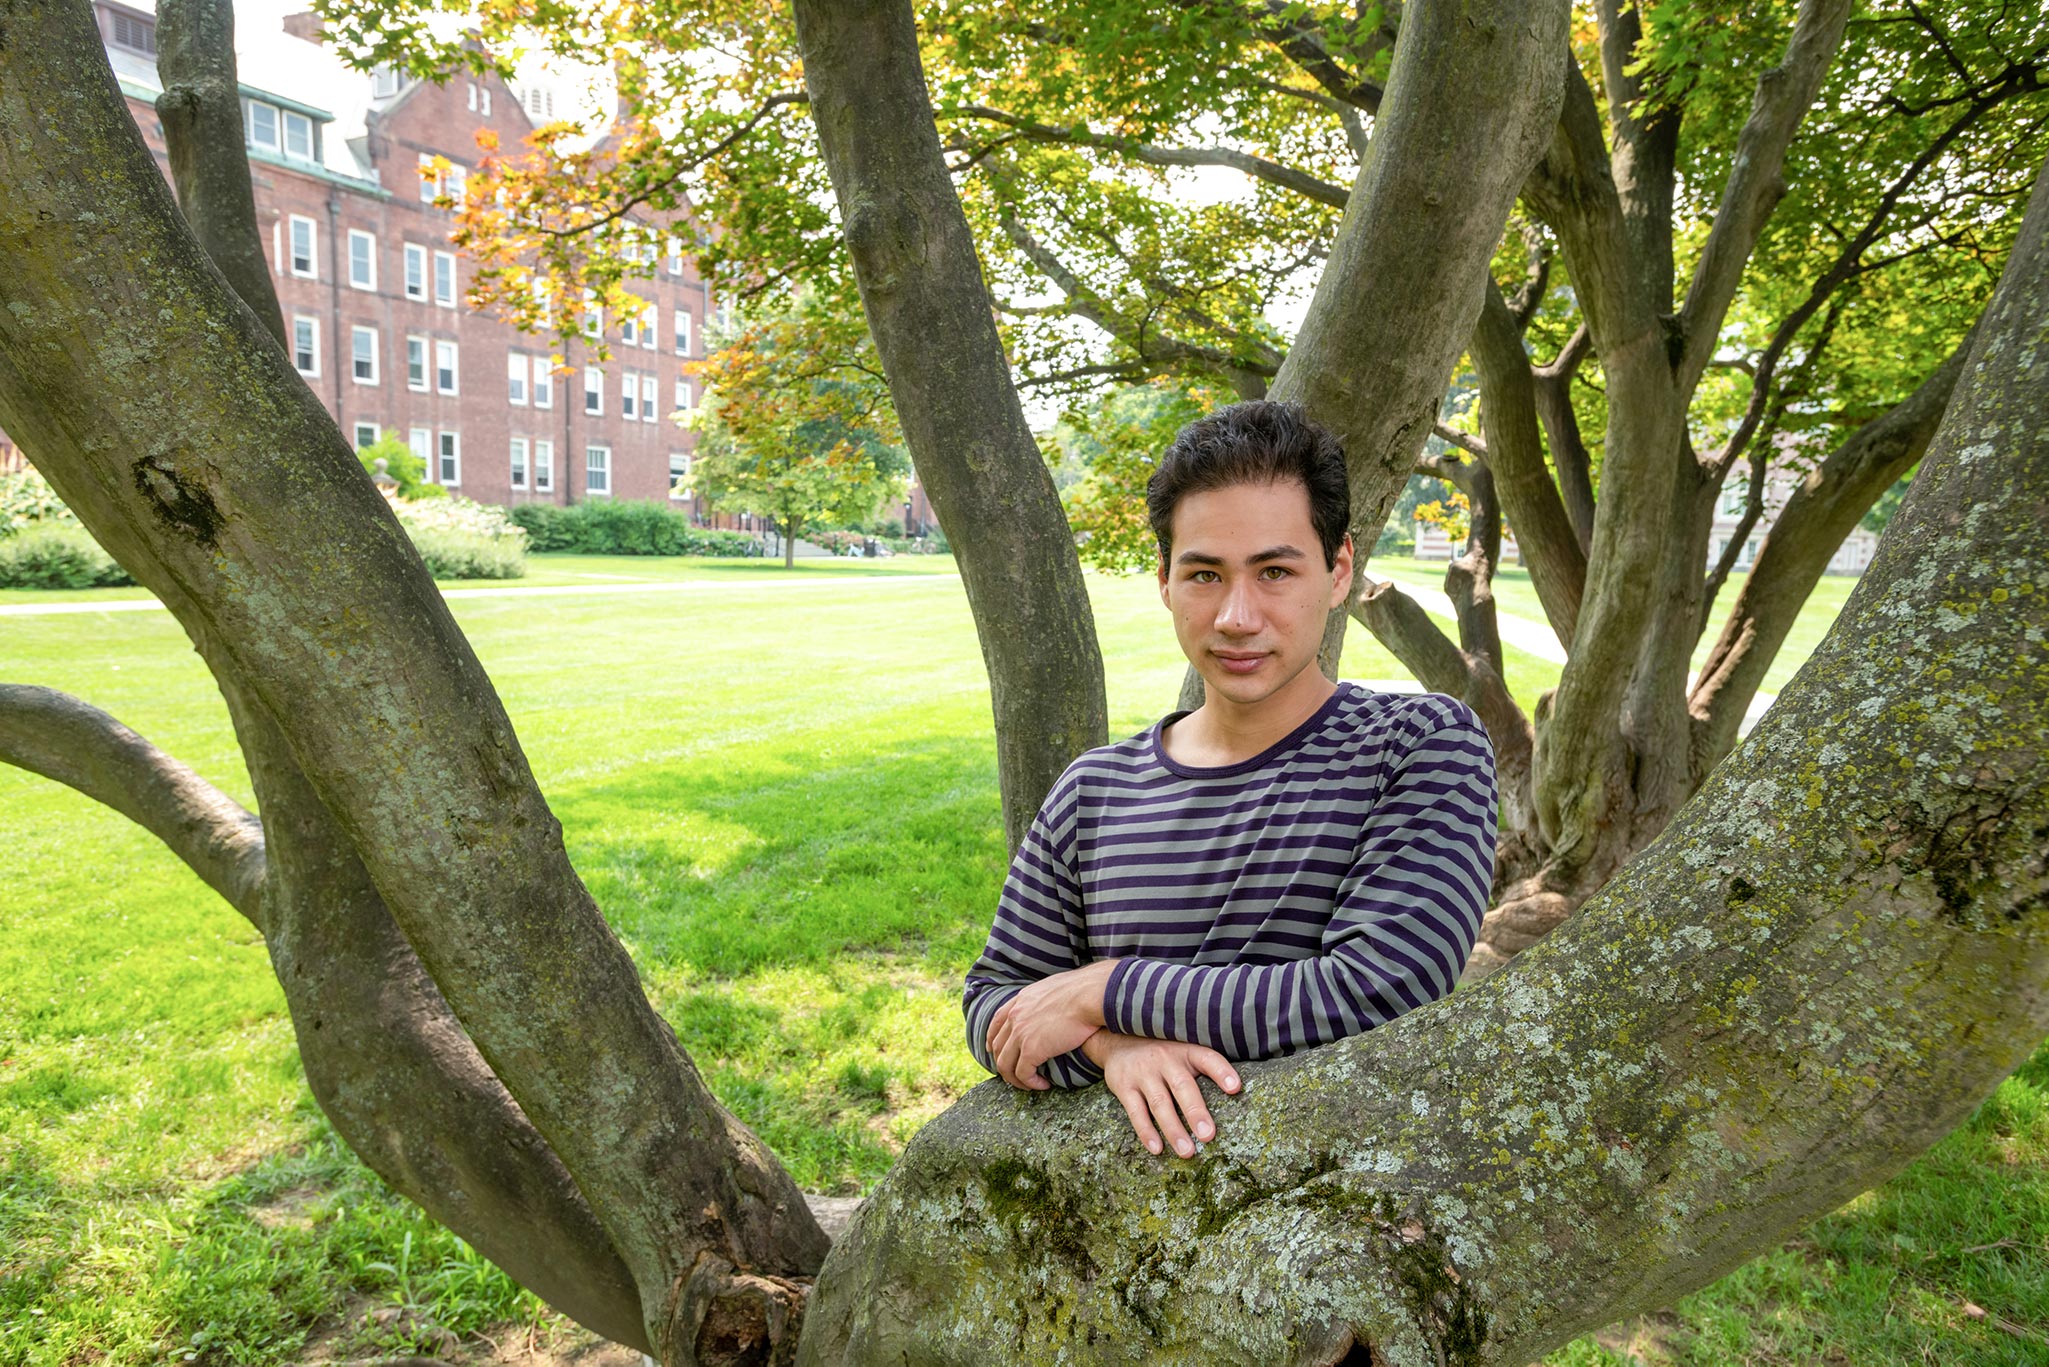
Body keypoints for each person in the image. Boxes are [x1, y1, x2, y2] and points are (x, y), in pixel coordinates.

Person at [961, 399, 1498, 1161]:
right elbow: (996, 1002)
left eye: (1274, 571)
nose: (1237, 616)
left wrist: (1101, 988)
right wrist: (1115, 1050)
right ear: (1165, 581)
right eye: (1204, 574)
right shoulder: (1093, 790)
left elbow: (1378, 988)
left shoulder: (1418, 748)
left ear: (1338, 569)